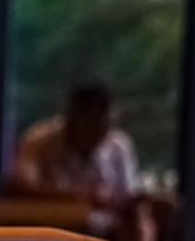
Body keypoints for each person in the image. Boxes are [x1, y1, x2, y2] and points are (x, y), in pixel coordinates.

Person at [10, 83, 140, 208]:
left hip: (106, 227)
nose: (95, 134)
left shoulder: (119, 146)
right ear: (70, 119)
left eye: (102, 127)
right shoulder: (39, 140)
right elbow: (20, 186)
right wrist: (76, 197)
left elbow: (127, 197)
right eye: (88, 125)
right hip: (52, 225)